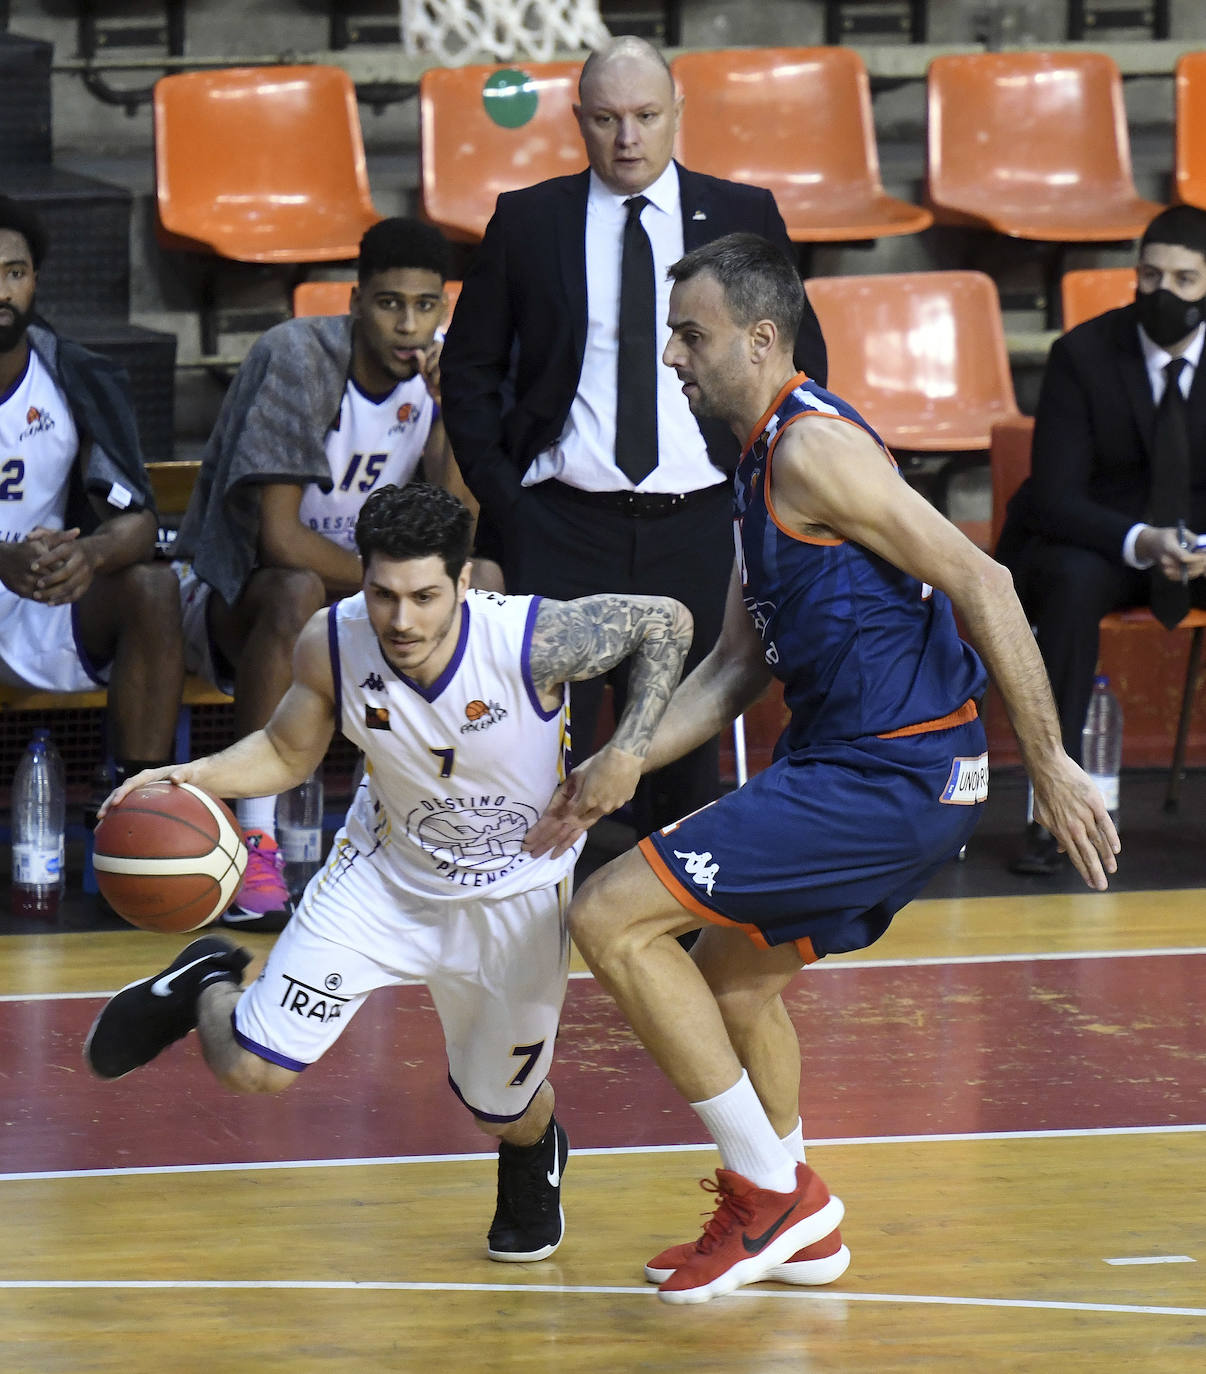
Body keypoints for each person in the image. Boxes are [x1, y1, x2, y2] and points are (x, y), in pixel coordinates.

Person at [525, 234, 1119, 1305]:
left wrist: (1053, 765)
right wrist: (621, 758)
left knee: (609, 917)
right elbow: (733, 668)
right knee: (735, 982)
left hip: (889, 775)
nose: (671, 357)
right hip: (867, 767)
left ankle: (770, 1197)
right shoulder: (759, 464)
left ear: (761, 340)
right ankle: (800, 1227)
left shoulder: (813, 453)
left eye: (691, 335)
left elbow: (984, 580)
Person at [85, 482, 692, 1264]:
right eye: (383, 594)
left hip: (515, 898)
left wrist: (628, 752)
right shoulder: (330, 641)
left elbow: (666, 622)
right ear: (362, 577)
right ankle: (206, 983)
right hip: (382, 878)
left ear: (464, 581)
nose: (402, 619)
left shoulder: (533, 639)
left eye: (425, 596)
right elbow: (284, 752)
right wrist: (191, 777)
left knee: (501, 1108)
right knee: (249, 1069)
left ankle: (530, 1155)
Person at [441, 36, 827, 840]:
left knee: (680, 764)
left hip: (700, 520)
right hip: (559, 520)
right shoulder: (527, 219)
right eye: (608, 118)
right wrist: (509, 506)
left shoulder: (744, 215)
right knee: (541, 761)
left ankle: (671, 946)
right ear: (577, 120)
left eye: (647, 116)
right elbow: (470, 373)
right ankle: (537, 945)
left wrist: (754, 489)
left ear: (677, 114)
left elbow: (800, 364)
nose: (628, 138)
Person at [174, 216, 496, 931]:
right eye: (389, 303)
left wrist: (453, 414)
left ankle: (453, 832)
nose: (408, 325)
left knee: (490, 587)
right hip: (238, 605)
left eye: (425, 306)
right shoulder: (301, 356)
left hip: (361, 601)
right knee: (298, 592)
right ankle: (253, 838)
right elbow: (280, 539)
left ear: (443, 308)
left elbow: (456, 533)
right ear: (355, 303)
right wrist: (396, 592)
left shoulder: (440, 376)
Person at [997, 204, 1206, 875]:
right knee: (1067, 580)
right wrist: (1145, 542)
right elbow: (1056, 498)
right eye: (1150, 275)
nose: (1163, 293)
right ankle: (1052, 810)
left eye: (1185, 278)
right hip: (1105, 540)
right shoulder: (1083, 353)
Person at [0, 195, 182, 790]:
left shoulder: (74, 376)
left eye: (15, 272)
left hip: (37, 603)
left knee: (153, 585)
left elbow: (139, 515)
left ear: (35, 280)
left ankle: (141, 813)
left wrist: (89, 556)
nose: (1, 290)